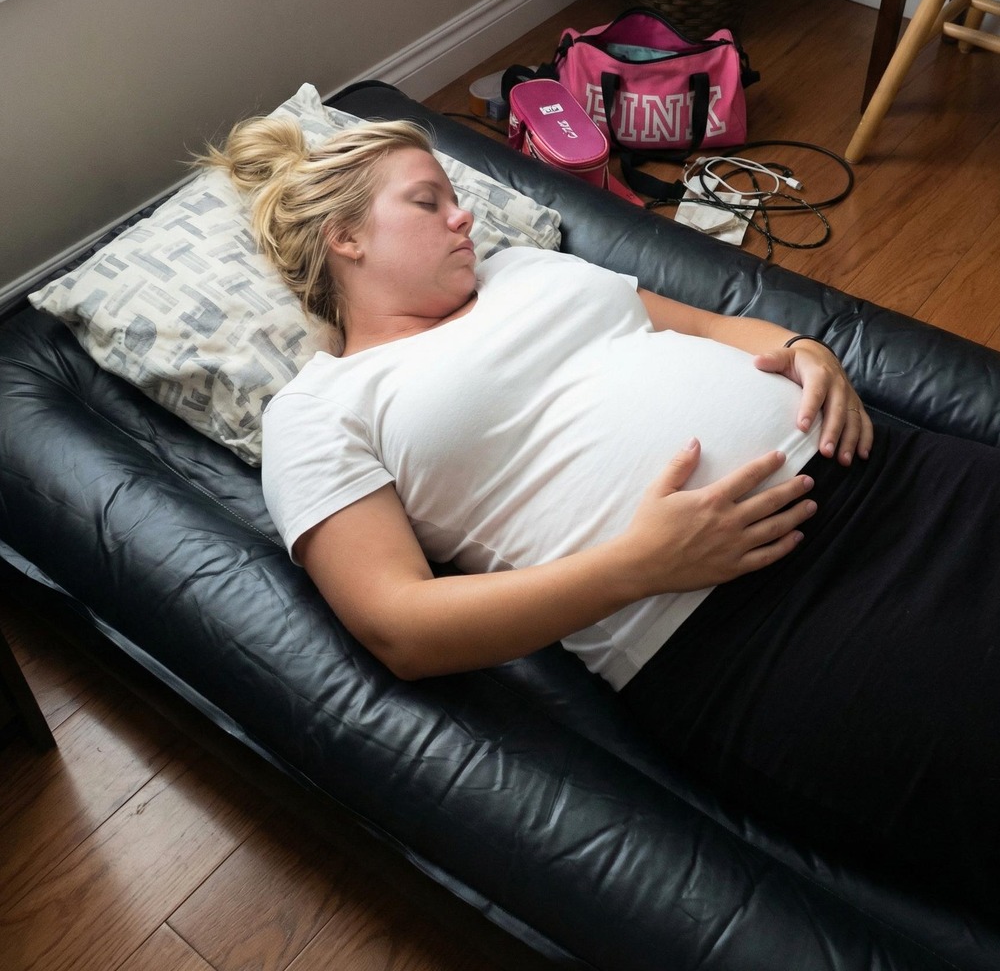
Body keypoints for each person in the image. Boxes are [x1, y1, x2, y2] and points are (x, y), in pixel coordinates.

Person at [208, 114, 1000, 925]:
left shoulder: (523, 267)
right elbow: (397, 624)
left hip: (889, 475)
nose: (464, 216)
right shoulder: (316, 410)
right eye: (429, 201)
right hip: (756, 628)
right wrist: (637, 565)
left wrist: (803, 348)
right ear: (346, 238)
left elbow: (709, 326)